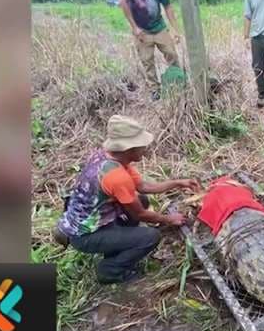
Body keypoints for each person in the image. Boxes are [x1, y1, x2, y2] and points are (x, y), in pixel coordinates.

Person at [56, 115, 200, 284]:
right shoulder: (116, 176)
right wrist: (168, 219)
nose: (145, 149)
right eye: (141, 146)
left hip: (98, 220)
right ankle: (109, 270)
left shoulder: (111, 158)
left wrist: (177, 183)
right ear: (128, 149)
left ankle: (115, 247)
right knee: (151, 236)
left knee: (143, 199)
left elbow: (143, 186)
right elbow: (140, 215)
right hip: (86, 235)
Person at [119, 0, 182, 95]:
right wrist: (134, 27)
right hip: (142, 30)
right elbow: (123, 2)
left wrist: (174, 29)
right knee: (147, 61)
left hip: (159, 27)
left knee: (172, 55)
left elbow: (167, 6)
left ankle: (178, 85)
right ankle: (155, 90)